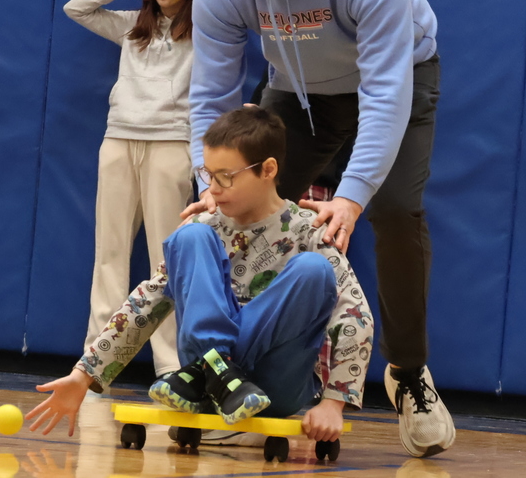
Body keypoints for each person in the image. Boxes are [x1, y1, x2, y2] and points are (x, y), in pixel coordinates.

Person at [183, 0, 454, 458]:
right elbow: (210, 97)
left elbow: (384, 95)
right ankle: (232, 376)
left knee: (395, 210)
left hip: (397, 80)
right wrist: (211, 182)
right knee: (236, 209)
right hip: (299, 91)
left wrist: (352, 197)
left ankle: (407, 374)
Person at [26, 107, 373, 444]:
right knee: (189, 235)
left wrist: (333, 402)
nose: (214, 188)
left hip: (272, 387)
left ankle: (217, 372)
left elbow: (354, 314)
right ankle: (215, 367)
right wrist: (83, 376)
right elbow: (147, 300)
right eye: (208, 175)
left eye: (226, 177)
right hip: (200, 382)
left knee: (313, 269)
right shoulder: (205, 225)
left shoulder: (308, 230)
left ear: (267, 169)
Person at [63, 0, 201, 380]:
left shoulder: (206, 30)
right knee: (111, 249)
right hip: (119, 139)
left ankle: (169, 366)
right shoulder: (131, 27)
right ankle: (95, 361)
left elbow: (235, 28)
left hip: (171, 145)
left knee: (167, 258)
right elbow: (77, 8)